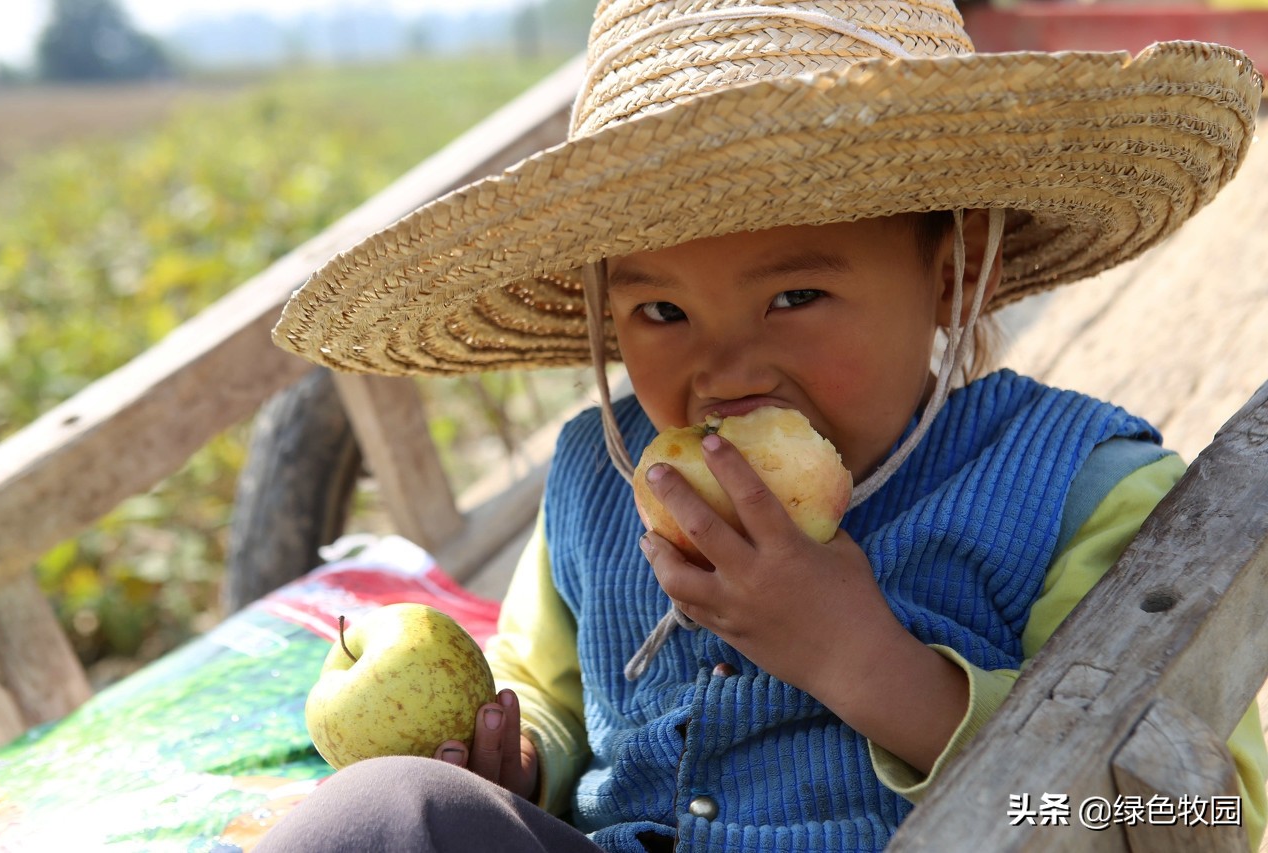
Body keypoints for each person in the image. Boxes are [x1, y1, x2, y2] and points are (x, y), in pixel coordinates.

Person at [258, 1, 1268, 850]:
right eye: (660, 314)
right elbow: (551, 693)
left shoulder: (1080, 490)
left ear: (956, 270)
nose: (723, 372)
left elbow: (1192, 808)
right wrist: (521, 758)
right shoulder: (598, 484)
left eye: (793, 296)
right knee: (377, 815)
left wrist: (868, 668)